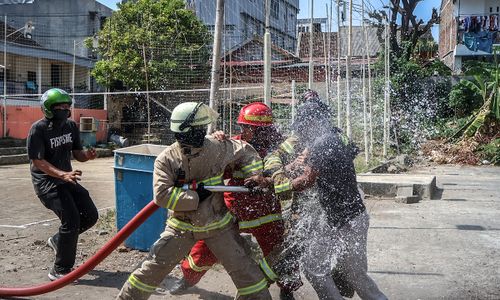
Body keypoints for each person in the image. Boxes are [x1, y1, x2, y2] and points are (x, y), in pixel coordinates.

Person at [116, 102, 271, 300]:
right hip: (182, 227)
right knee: (152, 269)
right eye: (197, 129)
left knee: (245, 271)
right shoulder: (167, 159)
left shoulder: (215, 147)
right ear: (183, 131)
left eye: (201, 128)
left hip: (218, 226)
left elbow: (245, 151)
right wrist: (197, 197)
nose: (201, 133)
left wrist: (255, 174)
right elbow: (162, 195)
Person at [170, 102, 300, 299]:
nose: (242, 131)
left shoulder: (279, 149)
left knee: (279, 251)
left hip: (266, 212)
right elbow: (212, 164)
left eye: (245, 127)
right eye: (242, 127)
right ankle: (188, 278)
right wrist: (214, 142)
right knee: (207, 248)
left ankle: (287, 289)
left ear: (258, 129)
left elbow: (292, 171)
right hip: (235, 210)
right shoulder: (234, 146)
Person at [278, 100, 387, 300]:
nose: (300, 132)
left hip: (342, 218)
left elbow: (306, 181)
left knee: (314, 268)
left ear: (312, 123)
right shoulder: (335, 138)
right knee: (354, 273)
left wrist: (277, 187)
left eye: (302, 127)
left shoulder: (320, 144)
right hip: (353, 216)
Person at [27, 88, 99, 281]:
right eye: (60, 106)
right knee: (72, 221)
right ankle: (60, 270)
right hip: (47, 183)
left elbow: (78, 154)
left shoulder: (70, 126)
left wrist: (88, 155)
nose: (65, 109)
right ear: (48, 108)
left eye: (67, 106)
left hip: (66, 179)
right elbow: (38, 161)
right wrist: (62, 174)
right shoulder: (38, 129)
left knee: (90, 215)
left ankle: (58, 240)